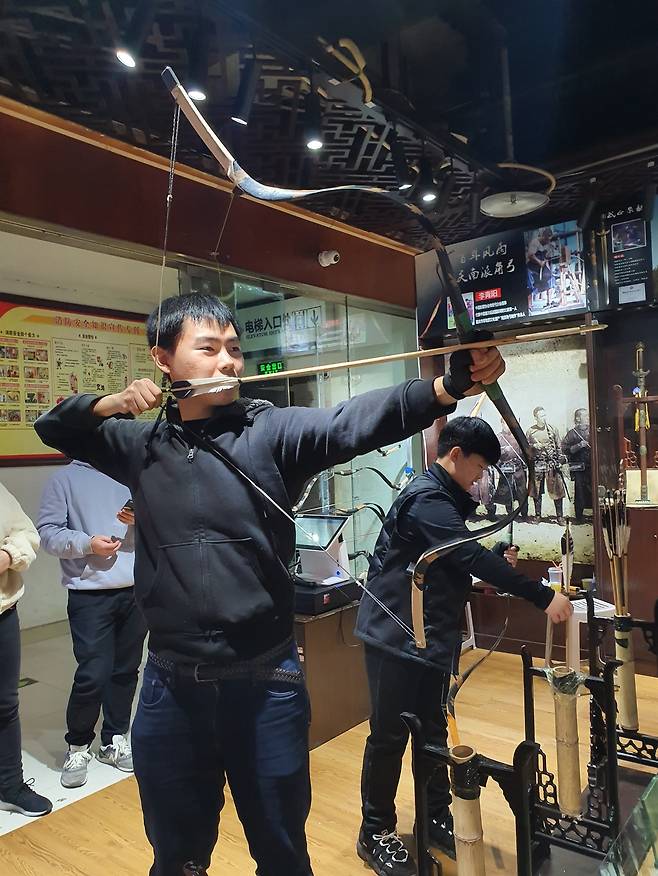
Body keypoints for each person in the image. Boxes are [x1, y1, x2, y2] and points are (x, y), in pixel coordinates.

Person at [34, 293, 505, 876]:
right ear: (163, 358)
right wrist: (111, 403)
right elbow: (52, 425)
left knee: (282, 854)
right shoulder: (139, 444)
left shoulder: (271, 429)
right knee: (176, 856)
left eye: (234, 349)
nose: (227, 362)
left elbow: (349, 423)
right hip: (170, 685)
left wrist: (445, 387)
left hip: (265, 681)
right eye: (208, 348)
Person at [354, 417, 573, 876]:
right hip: (395, 636)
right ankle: (374, 831)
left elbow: (452, 558)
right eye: (478, 467)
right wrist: (541, 595)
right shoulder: (427, 498)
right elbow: (465, 554)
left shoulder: (444, 498)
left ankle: (434, 816)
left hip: (430, 634)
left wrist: (491, 560)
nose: (479, 477)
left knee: (433, 730)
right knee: (390, 735)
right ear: (455, 455)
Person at [37, 462, 145, 788]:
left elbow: (166, 523)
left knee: (126, 670)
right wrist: (87, 543)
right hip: (89, 595)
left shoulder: (132, 471)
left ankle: (113, 739)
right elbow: (47, 534)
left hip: (135, 589)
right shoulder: (64, 479)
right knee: (92, 673)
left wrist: (143, 519)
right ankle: (78, 746)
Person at [0, 482, 52, 817]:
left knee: (5, 704)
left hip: (3, 611)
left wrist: (7, 556)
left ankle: (10, 784)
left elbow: (26, 532)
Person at [526, 406, 567, 523]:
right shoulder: (530, 431)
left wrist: (560, 462)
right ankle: (538, 515)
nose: (544, 418)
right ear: (535, 417)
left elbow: (559, 447)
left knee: (557, 489)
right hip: (538, 465)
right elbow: (525, 449)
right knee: (536, 491)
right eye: (541, 416)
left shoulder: (552, 429)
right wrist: (534, 446)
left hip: (551, 464)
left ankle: (559, 516)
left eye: (544, 415)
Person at [562, 408, 592, 521]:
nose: (587, 418)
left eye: (588, 416)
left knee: (592, 489)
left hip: (591, 466)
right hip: (579, 468)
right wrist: (579, 445)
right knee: (579, 491)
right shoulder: (572, 433)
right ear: (578, 418)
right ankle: (579, 516)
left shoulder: (591, 431)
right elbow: (565, 448)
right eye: (585, 416)